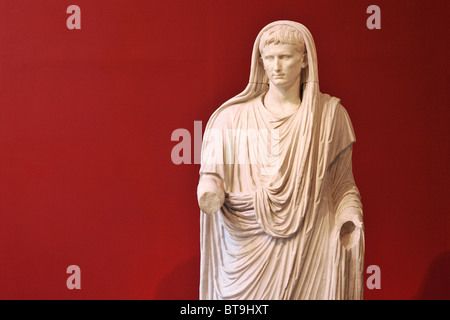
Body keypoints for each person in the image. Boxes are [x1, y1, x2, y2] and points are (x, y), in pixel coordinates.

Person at [197, 20, 364, 300]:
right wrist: (209, 188)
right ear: (260, 62)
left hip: (310, 245)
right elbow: (212, 175)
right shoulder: (232, 119)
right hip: (246, 245)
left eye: (285, 57)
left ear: (304, 61)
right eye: (269, 58)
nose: (276, 66)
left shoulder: (329, 118)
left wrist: (350, 217)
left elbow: (343, 186)